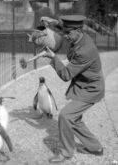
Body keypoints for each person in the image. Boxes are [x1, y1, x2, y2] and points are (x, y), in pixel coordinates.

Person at [42, 15, 105, 163]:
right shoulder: (80, 35)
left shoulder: (85, 50)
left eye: (68, 33)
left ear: (78, 30)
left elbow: (66, 75)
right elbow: (65, 27)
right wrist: (54, 22)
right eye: (64, 32)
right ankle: (95, 148)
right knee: (73, 119)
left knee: (65, 116)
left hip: (91, 89)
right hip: (83, 85)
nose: (65, 36)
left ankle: (66, 153)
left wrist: (53, 58)